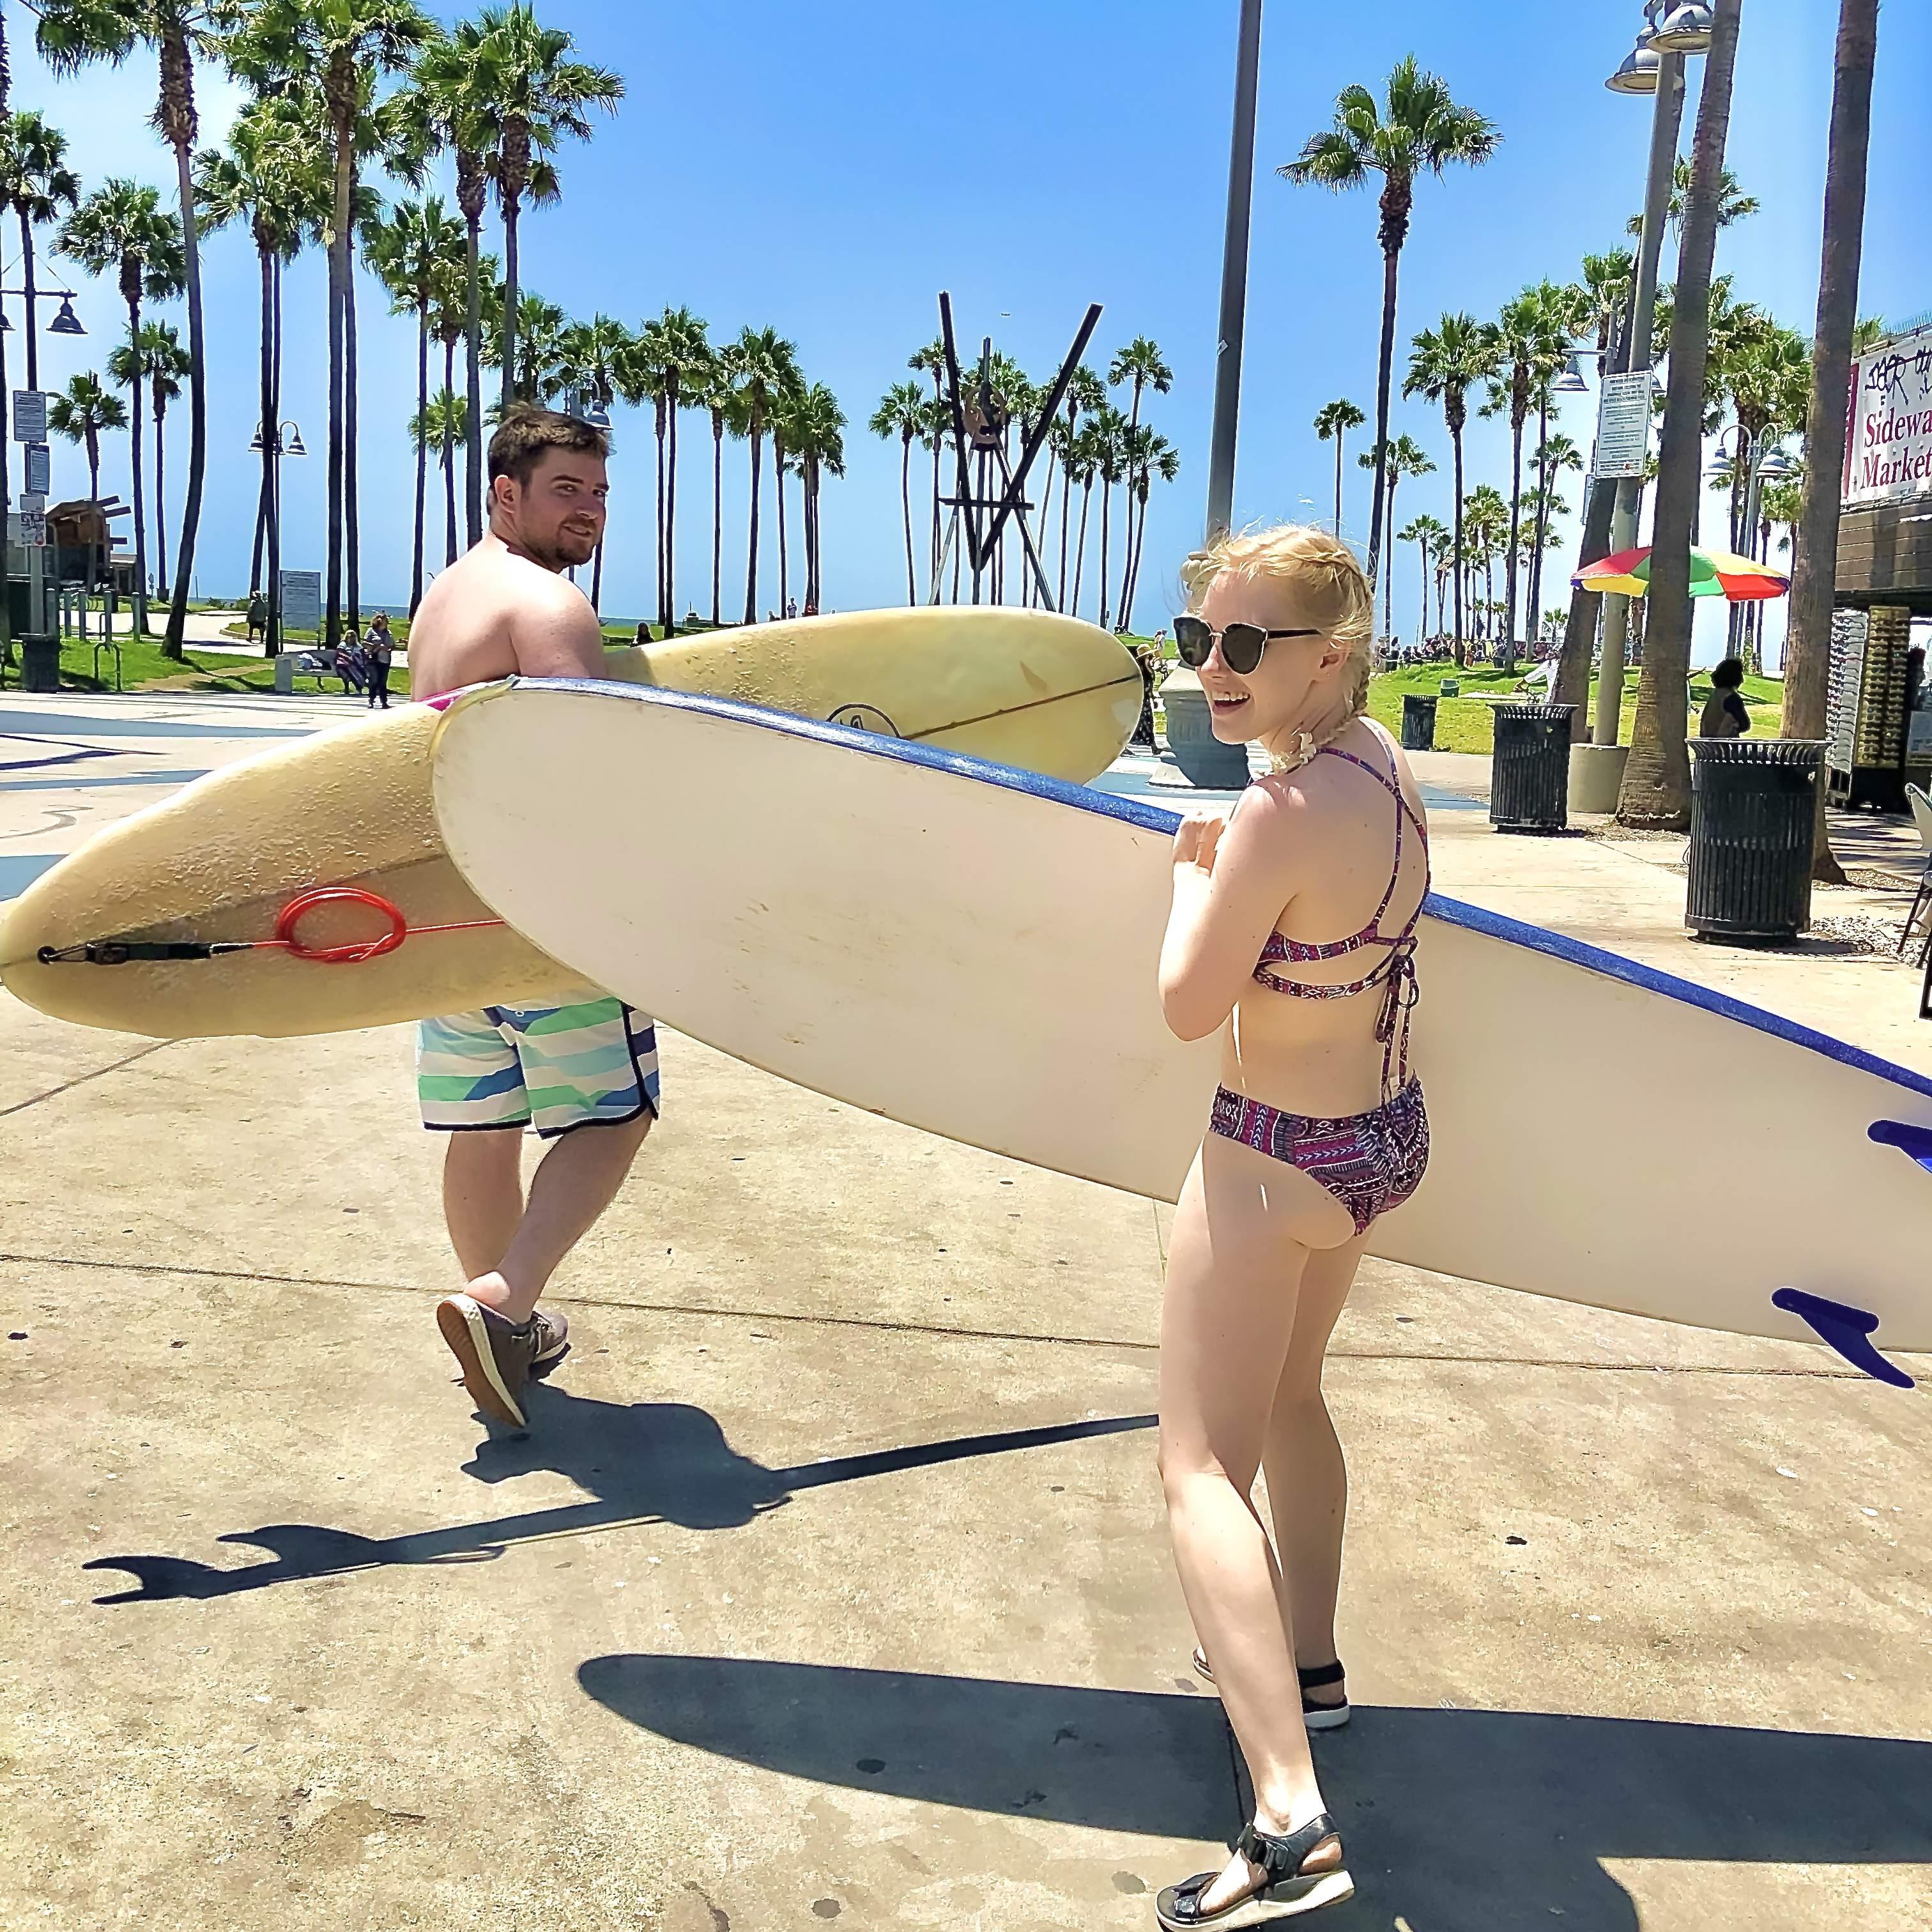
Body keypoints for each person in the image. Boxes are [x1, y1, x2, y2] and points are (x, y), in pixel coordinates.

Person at [1151, 525, 1430, 1926]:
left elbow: (1191, 1004)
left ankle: (1287, 1815)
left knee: (1199, 1468)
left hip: (1269, 1156)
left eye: (1245, 644)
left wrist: (1192, 877)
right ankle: (1310, 1666)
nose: (1212, 666)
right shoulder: (1383, 770)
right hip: (1378, 1146)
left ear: (1328, 654)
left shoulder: (1269, 818)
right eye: (1199, 636)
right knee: (1301, 1395)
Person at [408, 407, 658, 1430]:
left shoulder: (442, 601)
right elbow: (591, 783)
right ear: (504, 492)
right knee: (616, 1116)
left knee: (485, 1124)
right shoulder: (548, 607)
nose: (591, 510)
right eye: (568, 489)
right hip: (543, 925)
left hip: (450, 929)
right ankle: (501, 1302)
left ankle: (501, 1332)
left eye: (599, 491)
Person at [1699, 657, 1751, 738]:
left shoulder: (1715, 696)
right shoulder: (1731, 698)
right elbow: (1745, 725)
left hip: (1708, 746)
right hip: (1724, 746)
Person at [365, 611, 395, 709]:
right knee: (374, 680)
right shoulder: (371, 631)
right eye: (385, 620)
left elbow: (392, 646)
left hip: (385, 659)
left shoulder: (388, 633)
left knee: (383, 681)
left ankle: (384, 702)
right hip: (373, 659)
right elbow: (364, 643)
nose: (387, 622)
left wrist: (388, 649)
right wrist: (377, 646)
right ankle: (371, 701)